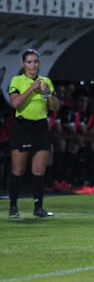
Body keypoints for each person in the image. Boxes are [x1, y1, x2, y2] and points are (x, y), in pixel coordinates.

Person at [7, 49, 60, 218]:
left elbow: (55, 106)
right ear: (23, 64)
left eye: (35, 61)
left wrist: (48, 93)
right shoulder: (17, 80)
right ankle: (13, 206)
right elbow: (15, 104)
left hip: (40, 127)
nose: (33, 65)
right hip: (23, 127)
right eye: (29, 62)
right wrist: (32, 88)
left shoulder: (46, 81)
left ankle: (38, 208)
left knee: (39, 170)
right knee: (18, 170)